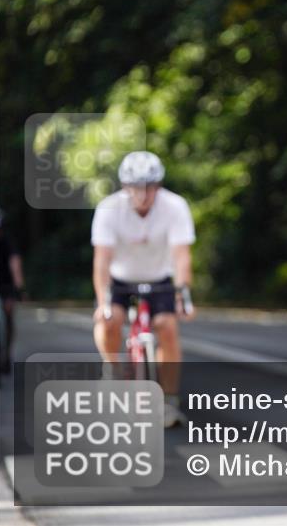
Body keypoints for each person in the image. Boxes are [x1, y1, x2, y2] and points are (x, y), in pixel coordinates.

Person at [91, 151, 196, 427]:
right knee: (109, 321)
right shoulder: (108, 208)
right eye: (136, 186)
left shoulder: (175, 206)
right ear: (125, 186)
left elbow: (182, 257)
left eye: (150, 186)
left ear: (158, 185)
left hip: (159, 279)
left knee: (167, 327)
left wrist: (183, 294)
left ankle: (169, 400)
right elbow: (102, 260)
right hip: (120, 280)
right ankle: (111, 368)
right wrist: (103, 301)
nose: (143, 194)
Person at [0, 209, 25, 380]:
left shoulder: (7, 242)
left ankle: (6, 352)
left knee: (8, 313)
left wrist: (18, 288)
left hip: (5, 285)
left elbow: (15, 263)